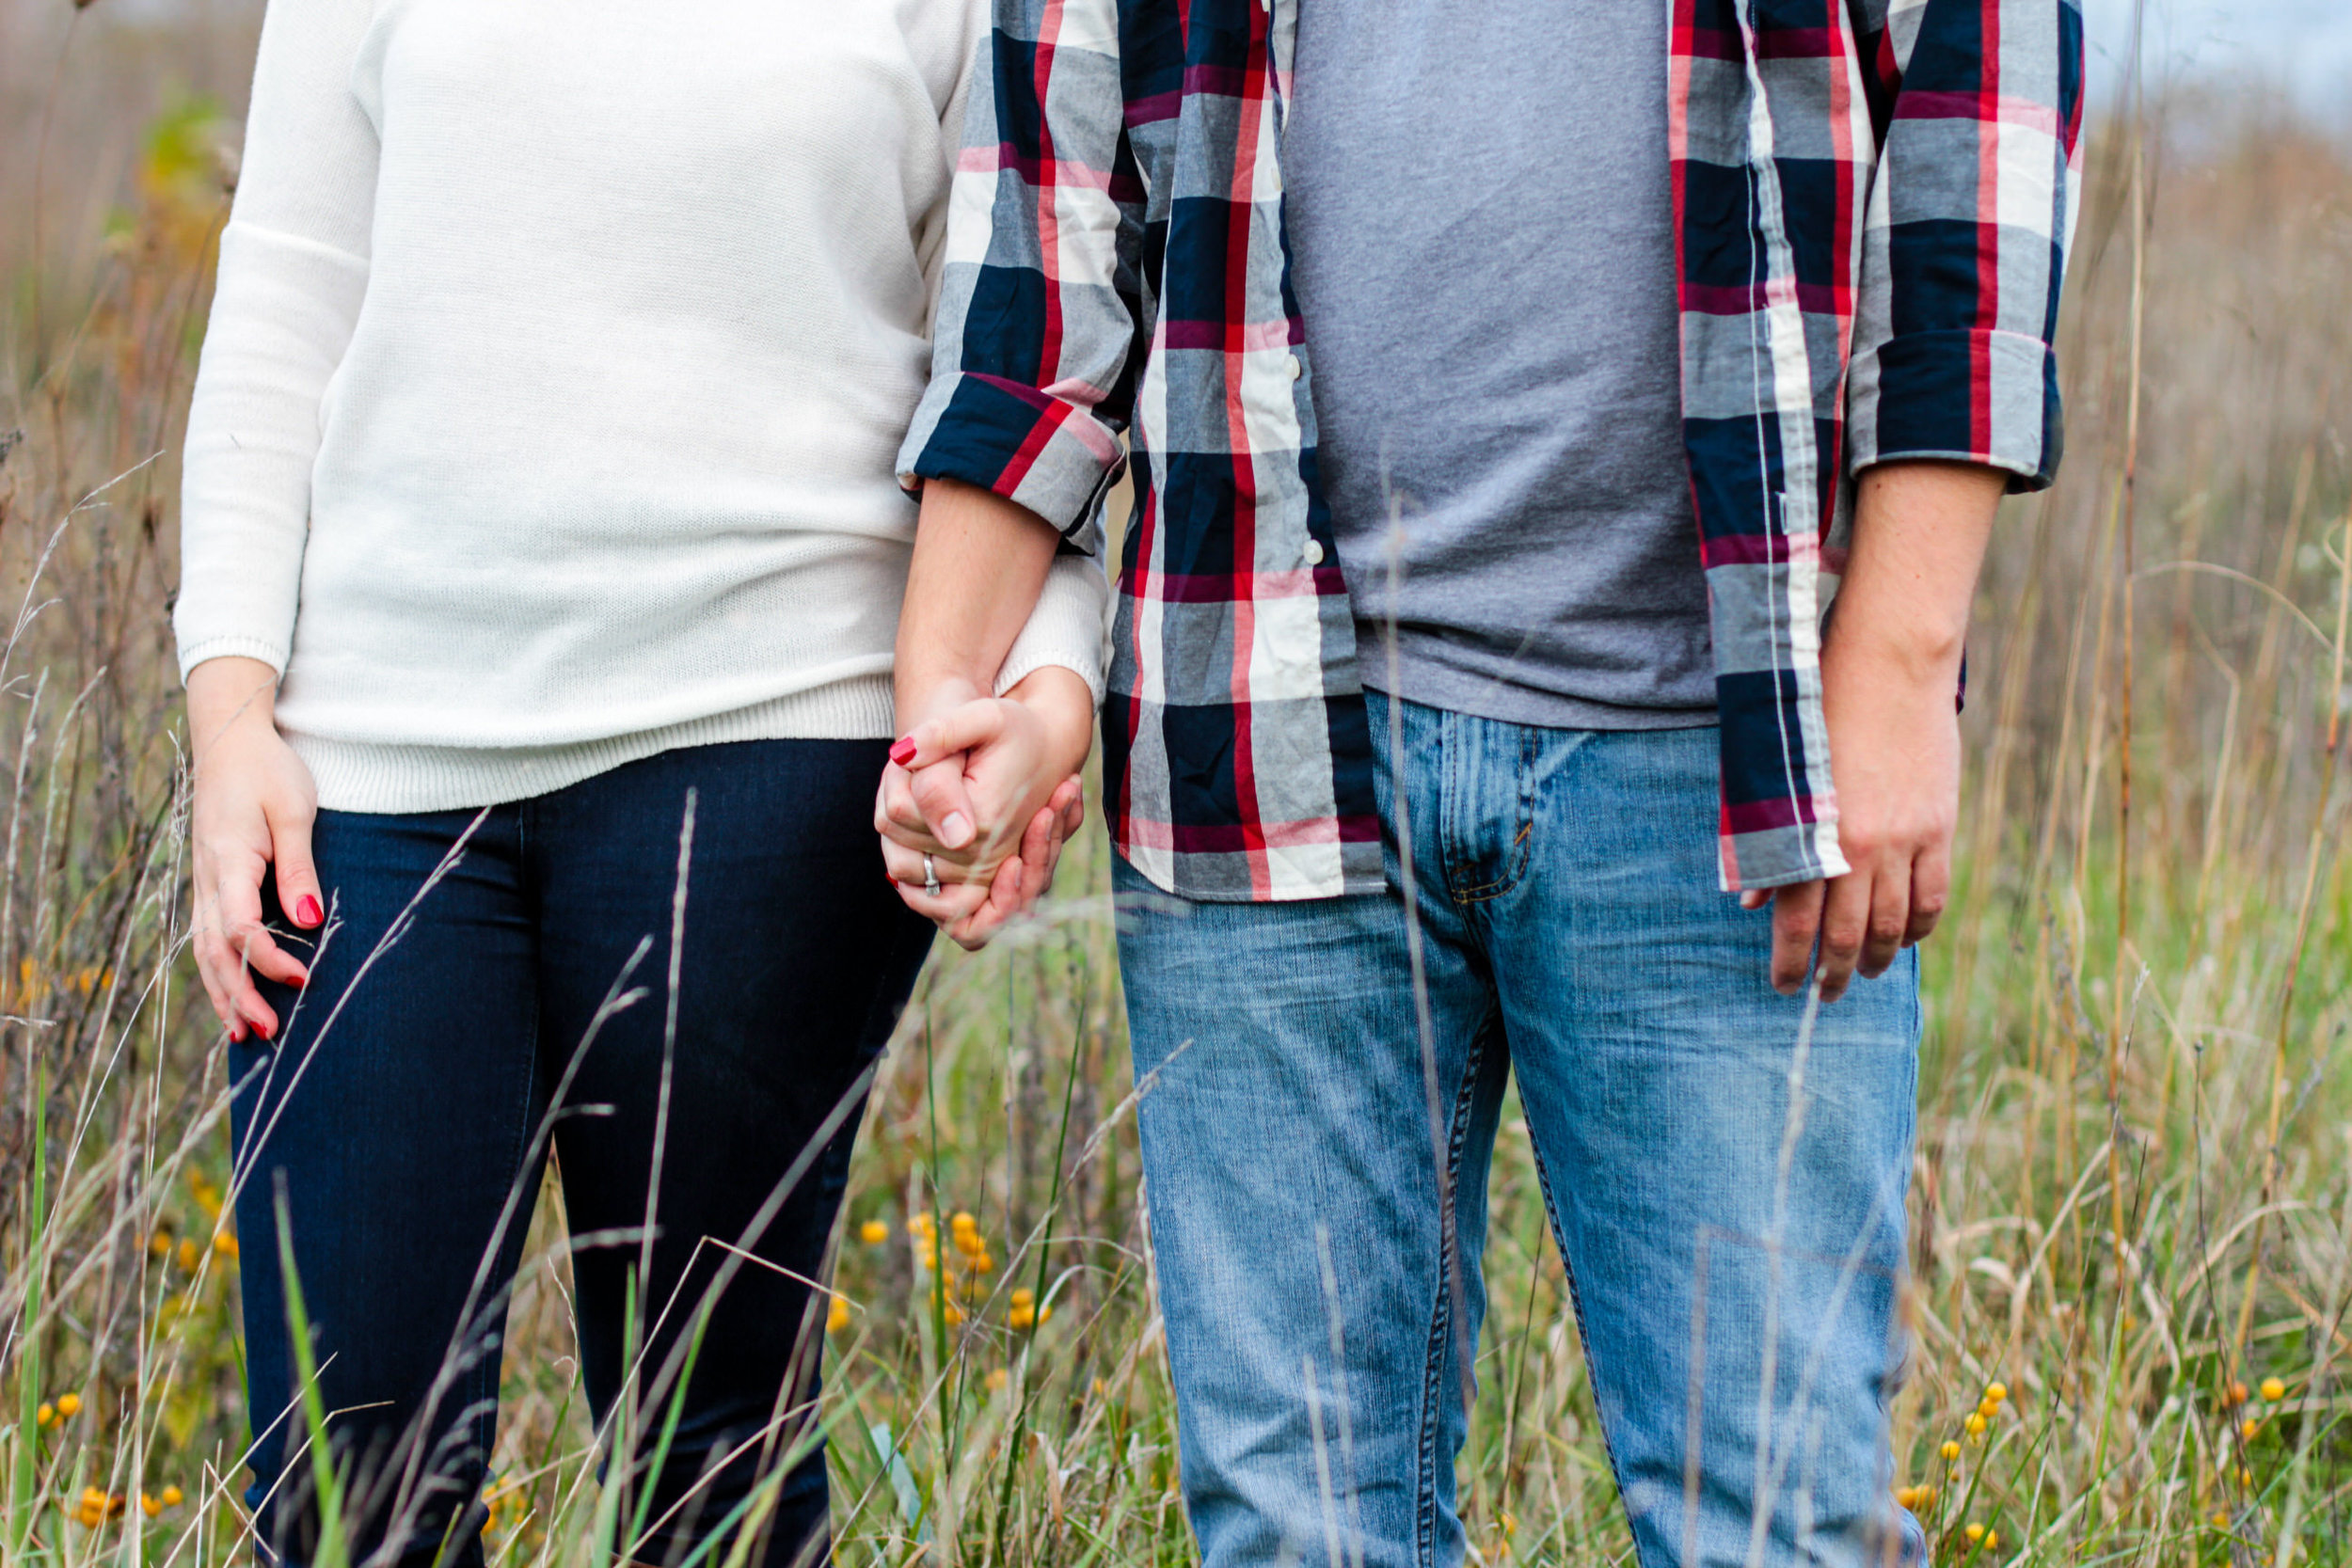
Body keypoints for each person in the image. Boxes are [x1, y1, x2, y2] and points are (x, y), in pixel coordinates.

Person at [877, 0, 2083, 1563]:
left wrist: (1903, 657)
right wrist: (946, 706)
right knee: (1300, 1525)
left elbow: (1975, 103)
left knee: (1773, 1523)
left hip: (1725, 759)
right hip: (1262, 733)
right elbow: (1045, 235)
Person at [175, 0, 1106, 1561]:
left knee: (710, 1474)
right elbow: (280, 304)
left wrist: (1036, 681)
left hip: (769, 741)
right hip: (372, 767)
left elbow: (1028, 353)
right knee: (345, 1496)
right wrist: (229, 720)